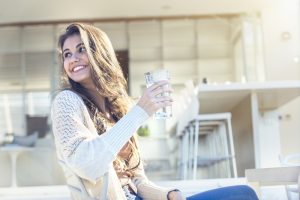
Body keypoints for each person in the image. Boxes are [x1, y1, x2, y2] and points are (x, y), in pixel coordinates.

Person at [51, 22, 259, 200]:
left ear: (100, 54)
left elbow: (137, 180)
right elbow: (86, 165)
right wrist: (139, 112)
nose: (73, 59)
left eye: (81, 49)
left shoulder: (116, 111)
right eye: (67, 54)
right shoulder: (67, 101)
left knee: (243, 194)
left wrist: (167, 194)